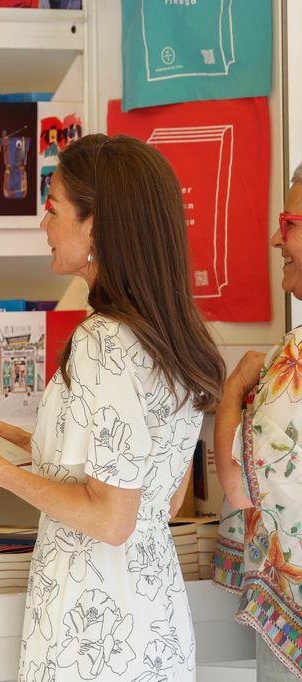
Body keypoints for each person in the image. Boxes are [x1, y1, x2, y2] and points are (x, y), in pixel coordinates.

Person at [0, 134, 224, 681]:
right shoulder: (172, 336)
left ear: (95, 228)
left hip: (91, 625)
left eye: (53, 208)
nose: (45, 224)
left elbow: (111, 518)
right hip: (153, 618)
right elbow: (161, 494)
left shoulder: (103, 341)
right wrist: (31, 446)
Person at [212, 163, 302, 681]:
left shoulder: (295, 358)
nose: (276, 239)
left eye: (288, 223)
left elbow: (239, 484)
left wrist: (232, 393)